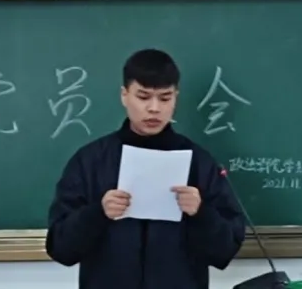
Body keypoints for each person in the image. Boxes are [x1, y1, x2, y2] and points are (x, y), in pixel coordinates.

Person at [45, 48, 246, 289]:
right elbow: (60, 249)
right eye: (143, 97)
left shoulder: (200, 163)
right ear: (124, 95)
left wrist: (201, 213)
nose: (154, 108)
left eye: (165, 98)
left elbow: (225, 251)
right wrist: (98, 213)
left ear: (176, 97)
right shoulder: (90, 161)